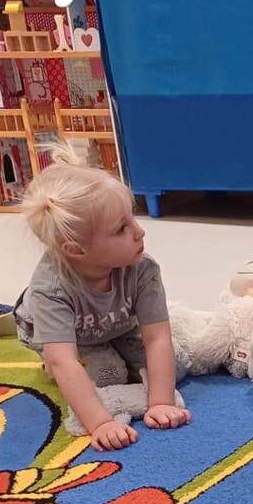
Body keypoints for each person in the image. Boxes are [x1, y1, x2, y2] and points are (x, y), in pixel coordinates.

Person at [16, 147, 189, 452]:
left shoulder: (142, 268)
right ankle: (50, 367)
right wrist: (101, 423)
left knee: (176, 361)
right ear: (76, 250)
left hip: (117, 324)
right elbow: (64, 361)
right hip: (70, 339)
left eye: (132, 218)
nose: (139, 231)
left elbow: (158, 337)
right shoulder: (51, 290)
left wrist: (162, 402)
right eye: (122, 228)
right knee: (107, 374)